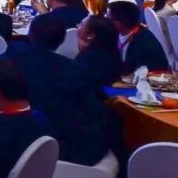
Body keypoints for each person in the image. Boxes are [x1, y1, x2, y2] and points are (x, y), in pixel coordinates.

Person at [13, 15, 107, 166]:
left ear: (29, 35)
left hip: (22, 142)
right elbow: (93, 110)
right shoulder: (75, 69)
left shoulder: (12, 63)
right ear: (62, 41)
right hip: (69, 145)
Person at [107, 0, 169, 74]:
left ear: (118, 23)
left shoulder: (145, 45)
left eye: (109, 18)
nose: (106, 21)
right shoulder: (115, 34)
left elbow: (135, 73)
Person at [75, 14, 122, 91]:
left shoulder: (88, 59)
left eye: (81, 24)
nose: (77, 25)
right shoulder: (111, 53)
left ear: (91, 35)